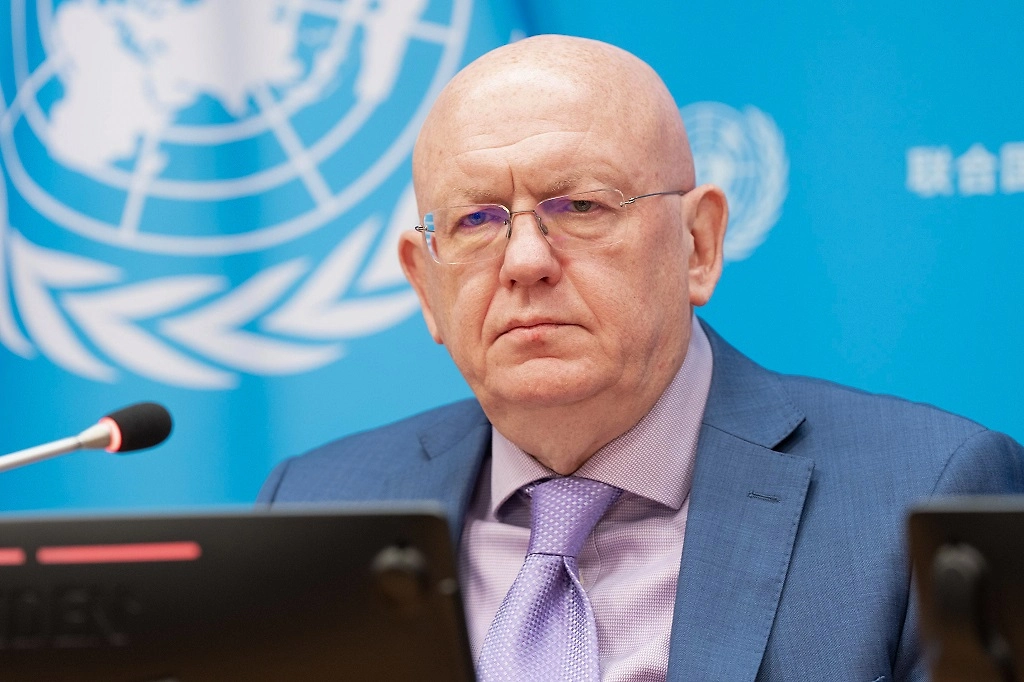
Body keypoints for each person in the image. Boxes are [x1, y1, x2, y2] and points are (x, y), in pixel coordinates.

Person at [258, 35, 1024, 681]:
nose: (525, 260)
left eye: (580, 206)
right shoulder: (312, 511)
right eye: (476, 220)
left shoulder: (924, 495)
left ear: (699, 244)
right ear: (425, 286)